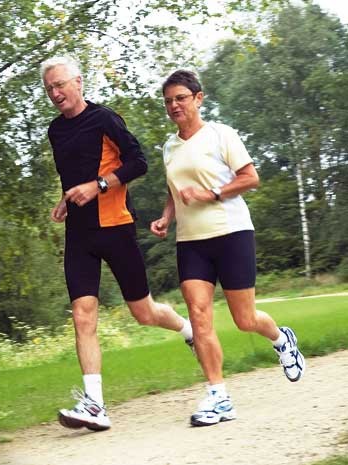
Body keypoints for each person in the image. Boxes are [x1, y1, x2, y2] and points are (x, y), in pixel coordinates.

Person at [41, 56, 194, 432]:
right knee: (82, 314)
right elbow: (73, 175)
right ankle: (95, 405)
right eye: (49, 89)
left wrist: (98, 186)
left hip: (115, 227)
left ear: (78, 81)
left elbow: (138, 162)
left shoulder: (105, 119)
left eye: (60, 84)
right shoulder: (54, 131)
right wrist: (65, 198)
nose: (55, 93)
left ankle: (185, 328)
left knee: (143, 313)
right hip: (79, 234)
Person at [150, 70, 305, 427]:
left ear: (198, 98)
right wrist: (166, 217)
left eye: (181, 98)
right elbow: (176, 189)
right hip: (191, 242)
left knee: (244, 319)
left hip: (231, 233)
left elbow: (251, 178)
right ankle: (219, 396)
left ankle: (282, 339)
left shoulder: (221, 134)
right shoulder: (170, 147)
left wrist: (212, 194)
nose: (174, 105)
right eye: (169, 100)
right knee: (200, 318)